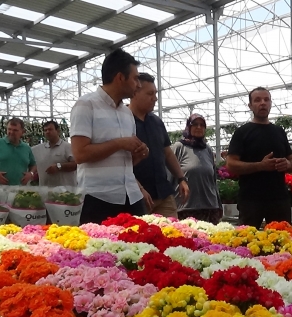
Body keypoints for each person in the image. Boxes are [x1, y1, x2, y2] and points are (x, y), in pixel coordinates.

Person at [70, 48, 150, 225]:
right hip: (99, 198)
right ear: (120, 77)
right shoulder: (86, 105)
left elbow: (127, 162)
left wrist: (138, 153)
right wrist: (120, 143)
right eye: (135, 78)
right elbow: (80, 154)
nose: (139, 84)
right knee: (100, 251)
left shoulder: (126, 113)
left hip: (131, 196)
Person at [226, 87, 292, 228]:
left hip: (279, 199)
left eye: (266, 99)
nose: (262, 103)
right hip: (251, 200)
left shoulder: (279, 132)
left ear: (271, 103)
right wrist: (260, 166)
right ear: (250, 105)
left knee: (282, 241)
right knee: (247, 243)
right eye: (257, 100)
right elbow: (231, 164)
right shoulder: (242, 133)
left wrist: (287, 165)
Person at [130, 73, 189, 218]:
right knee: (141, 237)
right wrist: (139, 188)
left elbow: (167, 152)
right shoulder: (123, 121)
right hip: (138, 196)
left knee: (173, 233)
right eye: (150, 93)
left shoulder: (156, 122)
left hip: (163, 194)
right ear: (134, 92)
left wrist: (181, 178)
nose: (155, 98)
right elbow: (120, 163)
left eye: (155, 93)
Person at [170, 114, 222, 224]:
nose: (199, 127)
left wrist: (219, 205)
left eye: (202, 125)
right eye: (195, 124)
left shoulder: (207, 149)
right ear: (188, 126)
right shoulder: (179, 147)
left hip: (209, 207)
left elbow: (213, 180)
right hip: (185, 207)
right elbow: (168, 175)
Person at [0, 118, 37, 186]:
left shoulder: (26, 148)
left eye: (15, 130)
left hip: (20, 190)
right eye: (9, 129)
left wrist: (31, 174)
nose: (11, 132)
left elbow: (33, 165)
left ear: (22, 132)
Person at [32, 121, 77, 187]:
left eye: (50, 129)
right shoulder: (37, 149)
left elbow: (76, 164)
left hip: (65, 192)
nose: (47, 132)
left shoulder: (68, 147)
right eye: (45, 130)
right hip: (45, 190)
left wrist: (59, 166)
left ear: (58, 131)